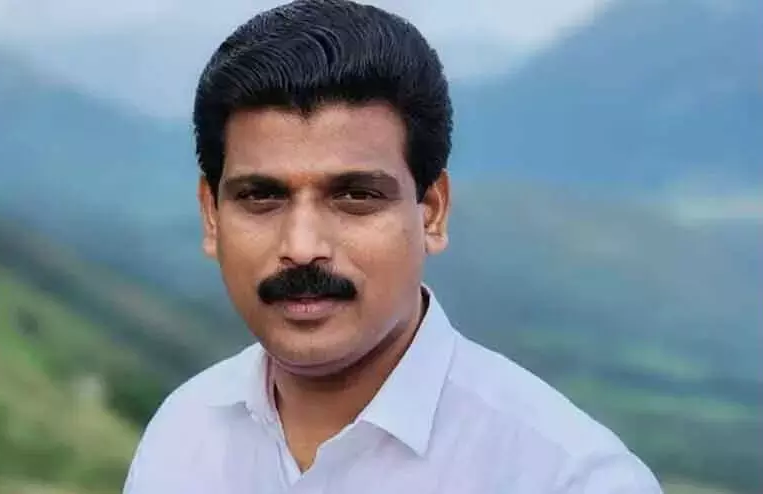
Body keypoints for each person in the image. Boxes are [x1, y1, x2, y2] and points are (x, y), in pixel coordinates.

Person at [123, 1, 663, 492]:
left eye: (356, 196)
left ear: (432, 211)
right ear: (212, 215)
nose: (303, 247)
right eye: (262, 196)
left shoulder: (567, 478)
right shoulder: (184, 434)